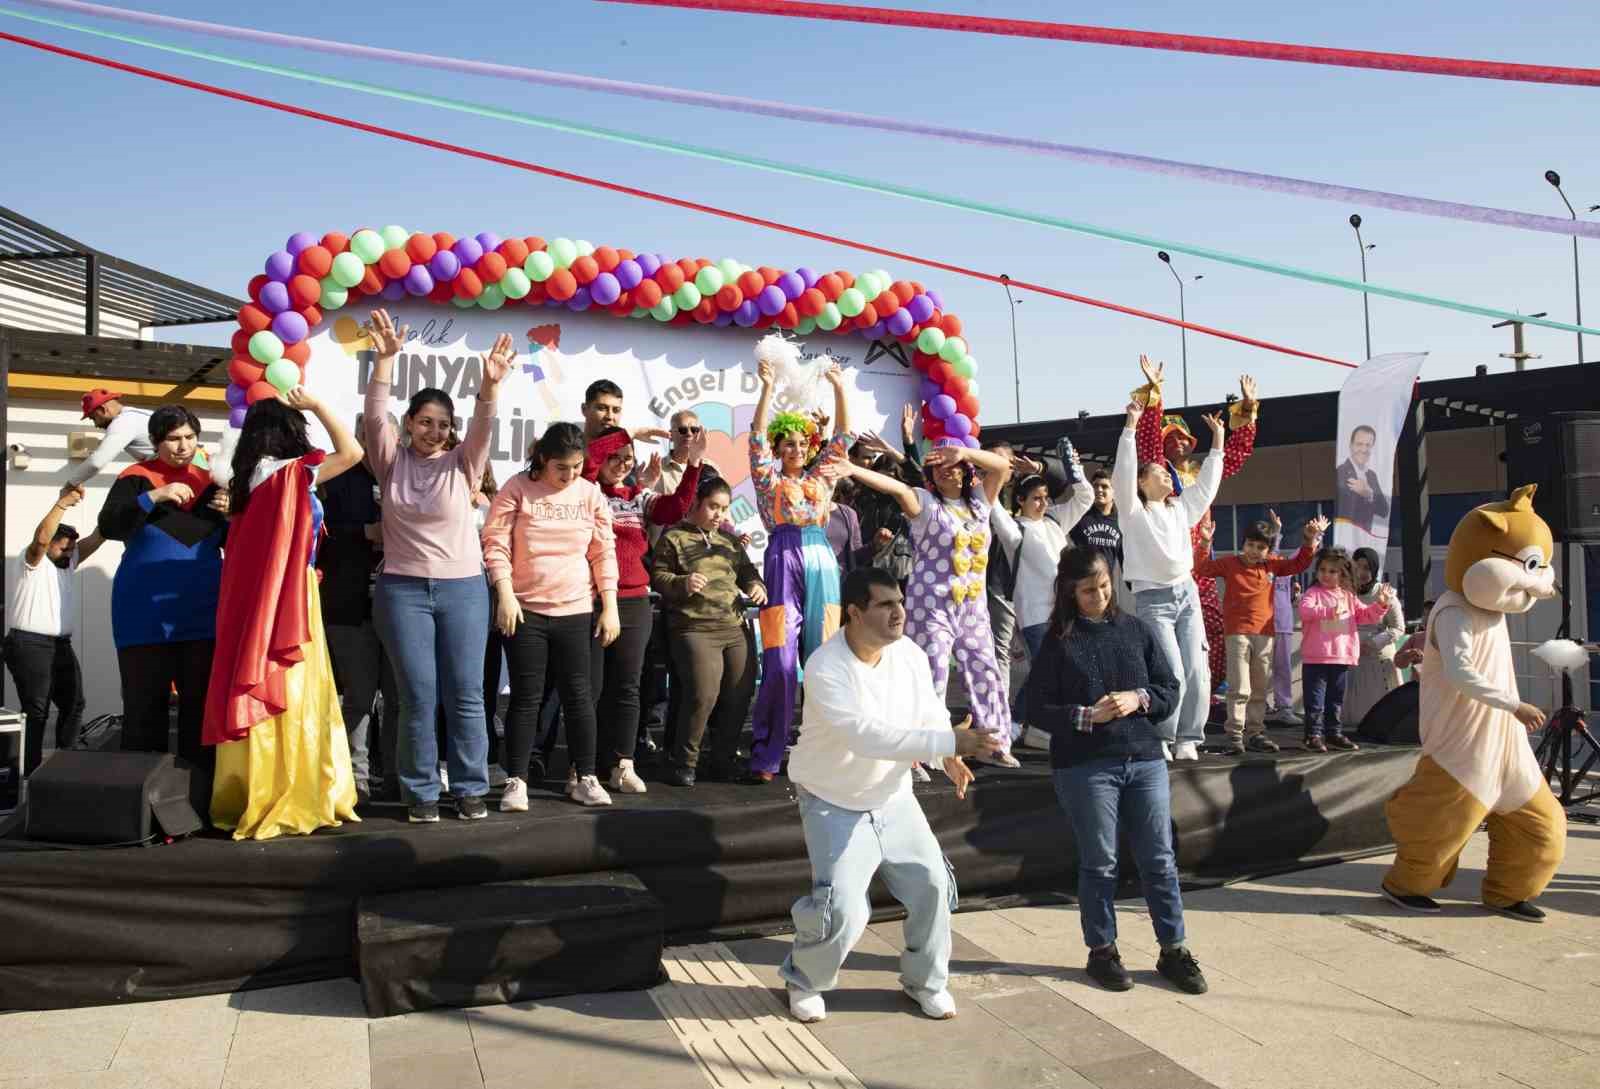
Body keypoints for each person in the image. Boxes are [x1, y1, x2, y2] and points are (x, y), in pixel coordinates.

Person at [780, 566, 1000, 1024]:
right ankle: (804, 979)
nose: (899, 612)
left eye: (900, 602)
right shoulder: (825, 667)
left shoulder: (910, 654)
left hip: (894, 797)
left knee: (934, 887)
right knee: (841, 909)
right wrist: (950, 743)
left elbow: (929, 714)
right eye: (885, 604)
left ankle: (926, 982)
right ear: (856, 613)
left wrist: (946, 756)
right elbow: (867, 737)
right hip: (832, 801)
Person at [1383, 487, 1564, 921]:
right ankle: (1405, 885)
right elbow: (1463, 672)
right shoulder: (1453, 611)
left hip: (1507, 747)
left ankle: (1508, 890)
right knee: (1439, 829)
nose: (1535, 581)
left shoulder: (1491, 611)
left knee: (1544, 830)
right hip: (1461, 746)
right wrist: (1513, 704)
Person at [1029, 548, 1205, 994]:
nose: (1099, 596)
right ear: (1069, 590)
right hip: (1086, 766)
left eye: (1105, 586)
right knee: (1101, 862)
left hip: (1145, 759)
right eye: (1088, 590)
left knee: (1160, 860)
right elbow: (1033, 707)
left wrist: (1139, 699)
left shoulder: (1136, 629)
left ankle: (1175, 949)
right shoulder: (1056, 640)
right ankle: (1102, 951)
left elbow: (1169, 688)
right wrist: (1087, 717)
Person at [364, 308, 511, 823]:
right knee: (418, 697)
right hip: (403, 591)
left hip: (464, 591)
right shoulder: (390, 459)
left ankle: (470, 787)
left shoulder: (463, 463)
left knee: (468, 696)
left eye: (443, 424)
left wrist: (487, 387)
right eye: (424, 421)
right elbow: (371, 417)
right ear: (408, 423)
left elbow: (485, 425)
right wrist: (385, 362)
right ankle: (422, 793)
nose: (433, 430)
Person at [204, 391, 365, 839]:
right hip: (292, 598)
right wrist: (319, 405)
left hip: (252, 599)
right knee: (296, 691)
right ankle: (296, 790)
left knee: (256, 680)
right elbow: (353, 452)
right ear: (291, 432)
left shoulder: (245, 482)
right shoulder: (293, 473)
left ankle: (252, 787)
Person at [844, 440, 1022, 767]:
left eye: (949, 465)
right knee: (931, 674)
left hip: (973, 607)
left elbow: (1002, 467)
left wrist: (965, 452)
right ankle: (919, 752)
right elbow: (898, 488)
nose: (943, 471)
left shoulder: (981, 501)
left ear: (965, 471)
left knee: (985, 672)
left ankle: (993, 743)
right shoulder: (926, 503)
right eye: (935, 468)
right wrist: (854, 469)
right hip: (931, 605)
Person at [484, 422, 620, 810]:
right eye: (563, 467)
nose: (571, 475)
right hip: (526, 610)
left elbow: (602, 551)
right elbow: (495, 543)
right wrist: (505, 594)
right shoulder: (517, 488)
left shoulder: (591, 494)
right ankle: (517, 780)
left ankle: (586, 777)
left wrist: (608, 605)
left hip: (576, 610)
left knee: (579, 696)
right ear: (543, 459)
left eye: (577, 466)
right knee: (526, 697)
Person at [97, 404, 229, 803]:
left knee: (200, 712)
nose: (183, 446)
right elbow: (110, 526)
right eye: (173, 438)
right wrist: (154, 496)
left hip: (201, 615)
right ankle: (136, 806)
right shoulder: (135, 479)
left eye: (190, 437)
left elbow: (231, 542)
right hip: (144, 615)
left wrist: (233, 513)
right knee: (143, 710)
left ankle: (199, 803)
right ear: (156, 442)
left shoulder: (214, 483)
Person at [746, 340, 853, 782]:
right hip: (781, 558)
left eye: (799, 443)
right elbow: (754, 439)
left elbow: (844, 436)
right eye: (785, 443)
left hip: (823, 563)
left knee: (825, 658)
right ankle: (768, 753)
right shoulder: (768, 477)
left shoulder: (822, 473)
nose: (793, 449)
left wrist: (839, 388)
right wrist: (767, 390)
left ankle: (823, 749)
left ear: (810, 447)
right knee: (780, 660)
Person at [585, 425, 703, 793]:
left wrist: (694, 465)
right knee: (590, 687)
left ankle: (623, 762)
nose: (621, 464)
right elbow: (587, 465)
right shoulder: (585, 492)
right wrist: (625, 434)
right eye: (614, 457)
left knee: (628, 686)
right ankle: (584, 767)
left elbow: (675, 508)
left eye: (627, 459)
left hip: (634, 599)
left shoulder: (639, 496)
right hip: (590, 599)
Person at [1133, 358, 1260, 687]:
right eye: (1168, 437)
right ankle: (1164, 694)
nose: (1176, 442)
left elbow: (1231, 456)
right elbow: (1147, 440)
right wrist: (1155, 394)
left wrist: (1246, 412)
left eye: (1182, 438)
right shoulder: (1162, 475)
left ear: (1191, 444)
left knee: (1213, 629)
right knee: (1164, 643)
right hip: (1163, 566)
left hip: (1198, 563)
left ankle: (1205, 690)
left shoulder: (1200, 477)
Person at [1114, 396, 1225, 761]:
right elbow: (1123, 474)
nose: (1167, 474)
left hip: (1186, 594)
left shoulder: (1181, 508)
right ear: (1142, 483)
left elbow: (1207, 487)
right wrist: (1130, 427)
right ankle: (1163, 734)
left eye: (1167, 471)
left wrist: (1218, 444)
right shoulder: (1132, 512)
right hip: (1153, 600)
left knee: (1196, 667)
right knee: (1171, 669)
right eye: (1158, 472)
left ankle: (1189, 736)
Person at [651, 476, 767, 785]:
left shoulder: (729, 540)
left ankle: (722, 759)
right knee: (703, 694)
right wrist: (681, 582)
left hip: (732, 625)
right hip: (693, 628)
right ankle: (684, 761)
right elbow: (658, 577)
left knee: (740, 692)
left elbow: (747, 572)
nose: (719, 515)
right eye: (713, 507)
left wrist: (755, 585)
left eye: (724, 509)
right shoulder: (674, 537)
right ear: (696, 503)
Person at [1193, 513, 1325, 756]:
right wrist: (1204, 543)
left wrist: (1309, 541)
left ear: (1268, 550)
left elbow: (1299, 564)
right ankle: (1234, 735)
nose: (1254, 551)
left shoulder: (1272, 564)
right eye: (1250, 545)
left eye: (1261, 547)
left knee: (1259, 688)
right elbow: (1202, 568)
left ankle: (1255, 733)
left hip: (1265, 633)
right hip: (1236, 634)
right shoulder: (1230, 562)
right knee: (1239, 687)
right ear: (1243, 543)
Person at [990, 440, 1094, 746]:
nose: (1043, 503)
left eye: (1046, 497)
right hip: (1034, 614)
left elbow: (1085, 495)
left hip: (1064, 611)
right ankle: (1017, 723)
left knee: (1051, 671)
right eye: (1036, 498)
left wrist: (1072, 470)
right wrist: (991, 473)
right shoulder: (1013, 530)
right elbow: (992, 503)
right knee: (1048, 669)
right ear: (1020, 500)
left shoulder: (1055, 520)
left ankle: (1034, 728)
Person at [318, 412, 392, 804]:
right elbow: (314, 537)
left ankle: (398, 775)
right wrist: (364, 532)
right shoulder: (333, 476)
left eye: (383, 434)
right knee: (359, 696)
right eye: (366, 434)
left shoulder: (406, 474)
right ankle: (355, 778)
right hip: (349, 603)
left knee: (401, 698)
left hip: (402, 604)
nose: (374, 442)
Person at [4, 484, 102, 775]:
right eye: (63, 546)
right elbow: (42, 537)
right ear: (51, 545)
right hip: (29, 643)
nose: (68, 552)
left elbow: (98, 537)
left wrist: (127, 509)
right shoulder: (32, 560)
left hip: (60, 645)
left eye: (72, 548)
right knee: (37, 710)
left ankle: (64, 767)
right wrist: (62, 504)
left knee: (74, 703)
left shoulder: (67, 562)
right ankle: (31, 774)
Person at [1296, 547, 1396, 753]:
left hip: (1341, 658)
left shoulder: (1348, 596)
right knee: (1315, 701)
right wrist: (1327, 611)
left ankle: (1334, 733)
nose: (1326, 574)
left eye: (1332, 571)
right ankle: (1313, 735)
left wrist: (1381, 604)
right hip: (1316, 659)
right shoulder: (1312, 593)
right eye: (1322, 569)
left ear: (1343, 574)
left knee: (1335, 700)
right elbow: (1305, 611)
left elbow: (1367, 616)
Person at [1343, 547, 1406, 728]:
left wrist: (1373, 643)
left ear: (1374, 569)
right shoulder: (1345, 592)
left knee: (1382, 719)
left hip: (1379, 660)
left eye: (1367, 568)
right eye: (1358, 567)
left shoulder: (1386, 593)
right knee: (1353, 721)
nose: (1361, 572)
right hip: (1351, 659)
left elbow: (1398, 628)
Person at [65, 389, 154, 486]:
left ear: (103, 409)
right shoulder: (140, 415)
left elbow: (96, 463)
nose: (96, 425)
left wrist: (70, 484)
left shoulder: (123, 422)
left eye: (94, 418)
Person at [1070, 469, 1124, 580]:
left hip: (1106, 585)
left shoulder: (1121, 523)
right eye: (1095, 486)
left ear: (1114, 492)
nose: (1099, 490)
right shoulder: (1079, 517)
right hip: (1083, 583)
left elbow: (1124, 561)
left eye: (1104, 486)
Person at [1337, 425, 1390, 536]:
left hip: (1366, 539)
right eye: (1359, 444)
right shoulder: (1340, 472)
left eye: (1368, 445)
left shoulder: (1371, 475)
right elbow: (1344, 507)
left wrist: (1369, 494)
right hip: (1347, 540)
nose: (1364, 449)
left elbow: (1384, 510)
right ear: (1351, 446)